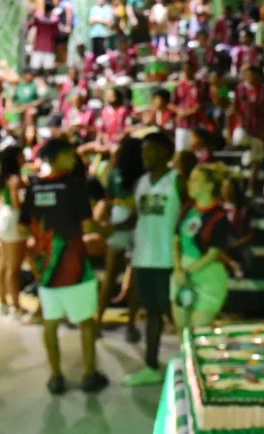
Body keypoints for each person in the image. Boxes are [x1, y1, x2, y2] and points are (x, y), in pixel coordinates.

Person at [22, 138, 109, 394]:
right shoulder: (75, 187)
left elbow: (23, 225)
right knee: (87, 322)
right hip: (75, 265)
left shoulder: (34, 188)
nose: (74, 160)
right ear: (57, 156)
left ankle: (56, 376)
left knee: (50, 321)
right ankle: (89, 373)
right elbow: (87, 226)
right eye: (70, 155)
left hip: (47, 267)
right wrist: (106, 230)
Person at [125, 132, 180, 387]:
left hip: (170, 258)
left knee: (177, 315)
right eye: (143, 151)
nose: (145, 155)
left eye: (151, 150)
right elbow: (135, 218)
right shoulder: (141, 183)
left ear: (166, 153)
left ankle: (192, 364)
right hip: (144, 257)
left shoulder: (177, 181)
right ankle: (151, 365)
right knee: (153, 315)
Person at [171, 163, 232, 332]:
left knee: (199, 333)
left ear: (209, 186)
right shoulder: (187, 209)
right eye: (190, 179)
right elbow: (176, 239)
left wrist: (186, 271)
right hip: (182, 275)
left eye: (195, 180)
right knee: (182, 330)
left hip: (207, 278)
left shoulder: (219, 216)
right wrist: (178, 269)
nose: (190, 184)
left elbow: (213, 253)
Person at [95, 135, 144, 343]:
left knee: (109, 276)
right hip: (138, 225)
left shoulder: (114, 173)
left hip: (117, 217)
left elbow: (106, 199)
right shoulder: (143, 176)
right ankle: (131, 325)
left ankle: (98, 320)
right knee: (134, 278)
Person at [0, 146, 28, 316]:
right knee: (13, 268)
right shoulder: (15, 179)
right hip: (13, 219)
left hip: (3, 217)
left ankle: (3, 302)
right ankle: (16, 306)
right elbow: (16, 203)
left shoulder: (4, 177)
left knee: (3, 264)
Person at [234, 64, 264, 196]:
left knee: (257, 158)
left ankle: (251, 185)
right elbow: (235, 107)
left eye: (252, 74)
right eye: (247, 74)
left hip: (258, 127)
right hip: (243, 126)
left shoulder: (263, 90)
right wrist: (241, 120)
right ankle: (244, 160)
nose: (249, 77)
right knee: (239, 140)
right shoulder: (239, 89)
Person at [172, 59, 204, 152]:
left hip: (197, 124)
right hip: (182, 124)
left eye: (189, 69)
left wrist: (189, 112)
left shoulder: (201, 85)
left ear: (194, 69)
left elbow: (204, 103)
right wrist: (179, 111)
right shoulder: (179, 85)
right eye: (185, 69)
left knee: (196, 152)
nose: (187, 71)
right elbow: (172, 104)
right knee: (181, 152)